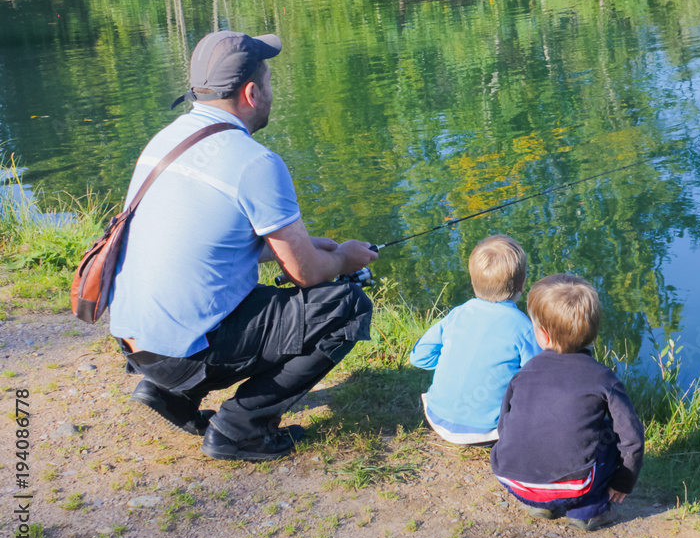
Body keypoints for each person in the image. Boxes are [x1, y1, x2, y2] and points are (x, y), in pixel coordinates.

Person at [109, 30, 378, 461]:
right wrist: (346, 256)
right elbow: (305, 274)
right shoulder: (255, 162)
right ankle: (241, 429)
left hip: (139, 344)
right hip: (184, 354)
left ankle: (170, 394)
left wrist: (304, 243)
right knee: (345, 305)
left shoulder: (165, 141)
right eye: (269, 82)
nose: (273, 91)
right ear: (252, 92)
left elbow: (208, 241)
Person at [490, 274, 644, 531]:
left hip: (512, 479)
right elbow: (632, 439)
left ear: (542, 336)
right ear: (593, 333)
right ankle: (587, 511)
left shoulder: (524, 372)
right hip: (573, 487)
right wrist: (623, 482)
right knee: (608, 433)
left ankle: (541, 504)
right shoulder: (603, 378)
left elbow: (504, 426)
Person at [409, 235, 540, 445]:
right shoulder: (523, 326)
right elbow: (537, 379)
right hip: (490, 431)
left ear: (472, 281)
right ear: (522, 284)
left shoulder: (458, 314)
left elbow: (419, 357)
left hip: (436, 418)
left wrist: (454, 362)